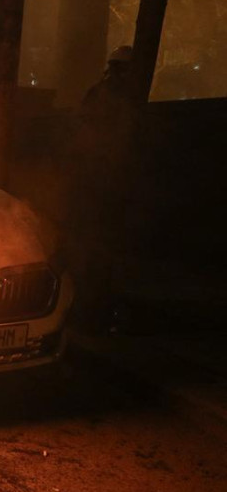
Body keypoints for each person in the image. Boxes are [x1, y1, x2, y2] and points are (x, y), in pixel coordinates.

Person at [70, 45, 139, 333]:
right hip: (101, 182)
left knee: (96, 246)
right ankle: (93, 310)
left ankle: (89, 307)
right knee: (98, 247)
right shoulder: (113, 98)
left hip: (97, 181)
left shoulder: (98, 93)